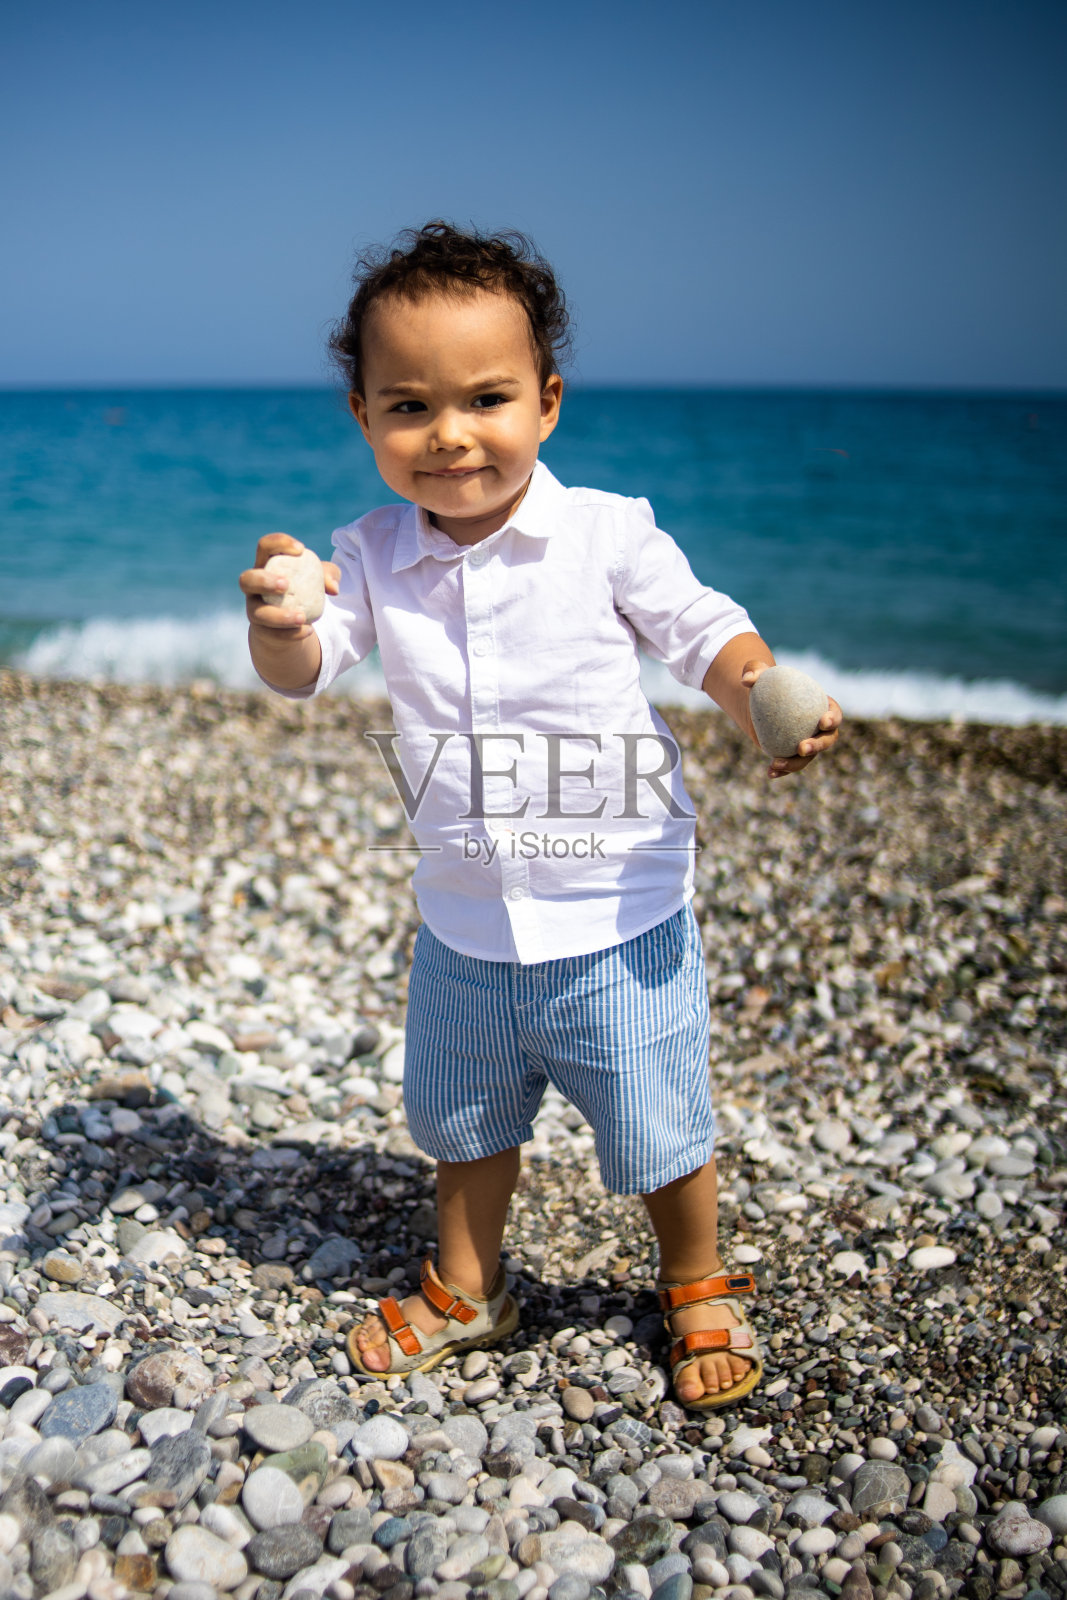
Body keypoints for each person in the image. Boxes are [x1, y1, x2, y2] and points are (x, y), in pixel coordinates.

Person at [239, 222, 841, 1409]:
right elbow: (306, 671)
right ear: (363, 417)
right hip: (464, 923)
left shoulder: (606, 532)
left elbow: (699, 630)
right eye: (408, 406)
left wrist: (756, 694)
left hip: (617, 911)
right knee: (463, 1124)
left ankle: (694, 1274)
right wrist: (281, 620)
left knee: (658, 1121)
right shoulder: (368, 555)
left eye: (486, 399)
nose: (449, 433)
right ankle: (471, 1287)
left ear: (546, 402)